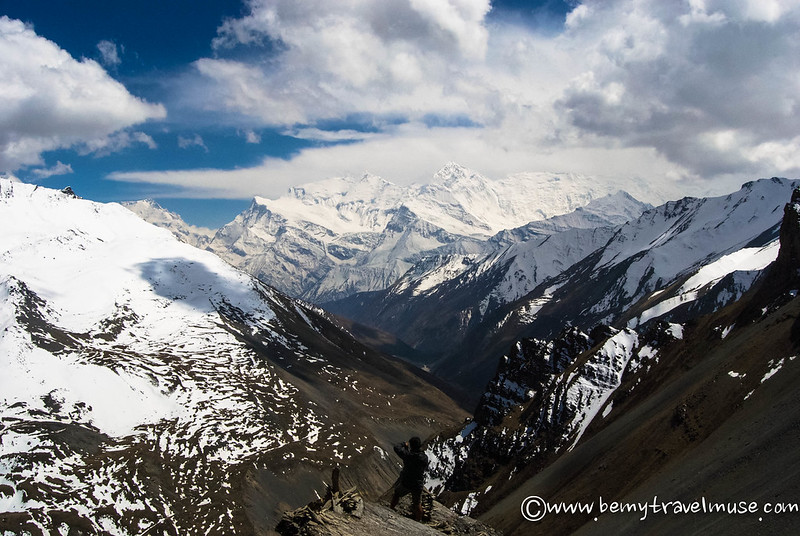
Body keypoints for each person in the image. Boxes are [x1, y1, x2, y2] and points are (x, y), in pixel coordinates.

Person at [390, 436, 429, 521]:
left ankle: (391, 508)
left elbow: (396, 447)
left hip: (407, 482)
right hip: (418, 483)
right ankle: (418, 520)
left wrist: (404, 444)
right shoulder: (424, 458)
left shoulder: (408, 456)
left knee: (397, 493)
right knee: (417, 503)